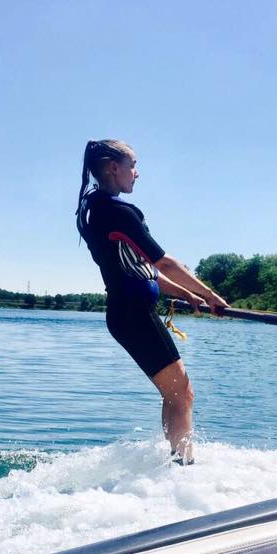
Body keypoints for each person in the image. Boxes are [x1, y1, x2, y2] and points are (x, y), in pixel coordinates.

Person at [76, 139, 229, 465]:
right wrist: (211, 295)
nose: (137, 173)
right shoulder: (117, 212)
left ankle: (175, 464)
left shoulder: (95, 208)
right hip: (134, 314)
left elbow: (143, 271)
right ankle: (184, 467)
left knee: (174, 393)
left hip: (126, 313)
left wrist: (188, 295)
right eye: (133, 165)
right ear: (113, 168)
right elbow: (164, 263)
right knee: (182, 392)